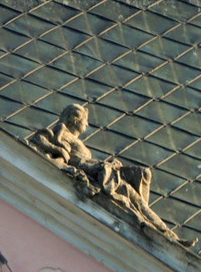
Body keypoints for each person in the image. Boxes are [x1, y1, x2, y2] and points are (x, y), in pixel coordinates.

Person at [28, 104, 190, 245]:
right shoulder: (62, 134)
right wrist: (60, 150)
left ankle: (167, 234)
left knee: (141, 179)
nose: (87, 124)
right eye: (85, 120)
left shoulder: (69, 136)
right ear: (76, 120)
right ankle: (165, 234)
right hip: (95, 170)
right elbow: (54, 147)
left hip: (98, 168)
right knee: (133, 198)